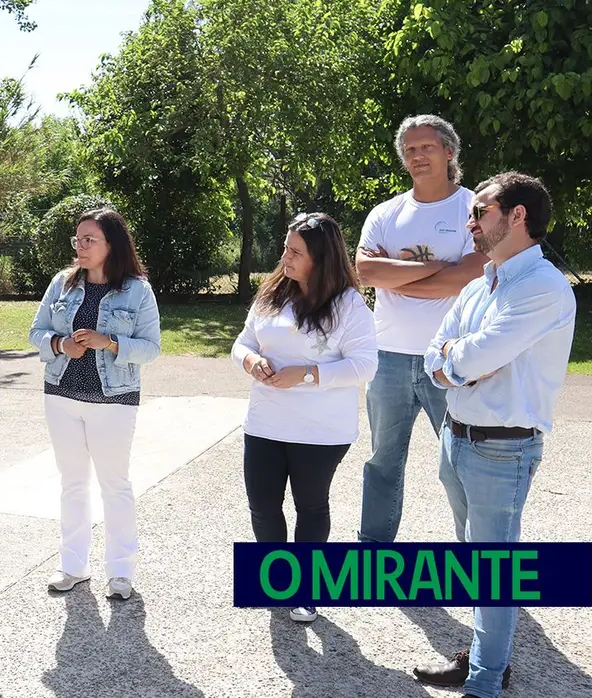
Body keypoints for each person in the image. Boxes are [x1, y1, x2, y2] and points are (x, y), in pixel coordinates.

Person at [413, 173, 575, 698]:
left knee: (492, 568)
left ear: (518, 215)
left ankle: (485, 681)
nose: (470, 221)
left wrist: (458, 361)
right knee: (474, 561)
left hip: (501, 447)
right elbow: (436, 350)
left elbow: (475, 355)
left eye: (480, 211)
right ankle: (485, 657)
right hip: (456, 436)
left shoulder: (543, 287)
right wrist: (457, 363)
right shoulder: (483, 284)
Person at [231, 213, 378, 624]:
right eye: (285, 247)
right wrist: (251, 360)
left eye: (295, 251)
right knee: (262, 506)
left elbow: (366, 365)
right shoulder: (271, 292)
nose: (285, 256)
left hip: (321, 431)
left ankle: (306, 590)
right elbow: (241, 342)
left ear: (321, 258)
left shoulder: (349, 304)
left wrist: (310, 373)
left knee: (310, 507)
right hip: (264, 423)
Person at [356, 115, 487, 544]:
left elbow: (468, 275)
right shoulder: (386, 212)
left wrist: (405, 275)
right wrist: (435, 268)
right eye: (409, 149)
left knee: (460, 463)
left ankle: (478, 559)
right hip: (387, 356)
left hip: (450, 357)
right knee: (382, 462)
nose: (417, 156)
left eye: (426, 147)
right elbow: (366, 269)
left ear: (449, 152)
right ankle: (374, 552)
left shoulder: (475, 209)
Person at [27, 208, 161, 601]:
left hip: (114, 401)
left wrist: (111, 342)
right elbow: (37, 331)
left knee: (114, 486)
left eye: (90, 240)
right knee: (72, 484)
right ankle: (73, 566)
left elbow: (151, 349)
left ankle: (120, 573)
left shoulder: (137, 290)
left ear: (111, 245)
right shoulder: (62, 284)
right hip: (62, 395)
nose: (80, 247)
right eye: (77, 240)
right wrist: (59, 344)